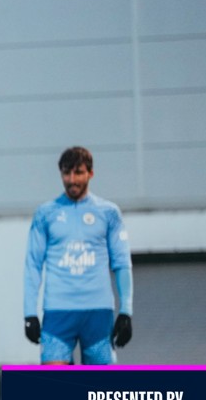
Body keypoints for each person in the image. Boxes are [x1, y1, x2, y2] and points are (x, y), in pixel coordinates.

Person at [23, 146, 133, 365]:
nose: (72, 180)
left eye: (78, 173)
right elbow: (33, 265)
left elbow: (121, 263)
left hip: (98, 312)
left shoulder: (109, 213)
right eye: (66, 173)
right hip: (57, 312)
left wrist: (126, 311)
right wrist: (29, 313)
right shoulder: (46, 213)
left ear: (90, 173)